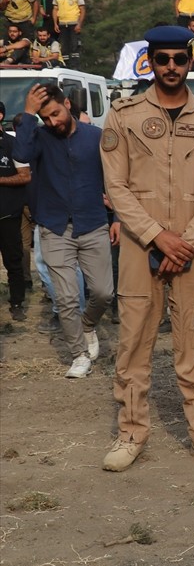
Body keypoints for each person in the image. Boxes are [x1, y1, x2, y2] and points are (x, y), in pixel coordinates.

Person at [99, 25, 194, 471]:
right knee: (134, 341)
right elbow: (116, 186)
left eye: (179, 59)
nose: (171, 67)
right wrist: (158, 236)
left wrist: (186, 242)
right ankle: (130, 433)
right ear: (150, 63)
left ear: (190, 61)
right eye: (163, 59)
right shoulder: (124, 115)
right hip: (141, 245)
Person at [16, 83, 117, 377]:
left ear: (68, 105)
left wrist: (119, 218)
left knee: (104, 292)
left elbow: (114, 179)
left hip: (93, 223)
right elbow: (21, 153)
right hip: (54, 228)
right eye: (45, 117)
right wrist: (28, 114)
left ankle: (87, 325)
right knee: (67, 298)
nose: (52, 122)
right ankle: (79, 354)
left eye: (55, 114)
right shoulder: (39, 137)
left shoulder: (95, 137)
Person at [0, 101, 30, 322]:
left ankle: (17, 303)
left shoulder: (13, 145)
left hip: (7, 214)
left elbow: (25, 177)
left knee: (13, 261)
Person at [51, 0, 85, 69]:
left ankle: (75, 67)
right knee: (64, 47)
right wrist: (55, 23)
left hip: (74, 24)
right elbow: (55, 9)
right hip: (62, 24)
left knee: (75, 46)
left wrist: (79, 24)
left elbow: (82, 9)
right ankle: (66, 66)